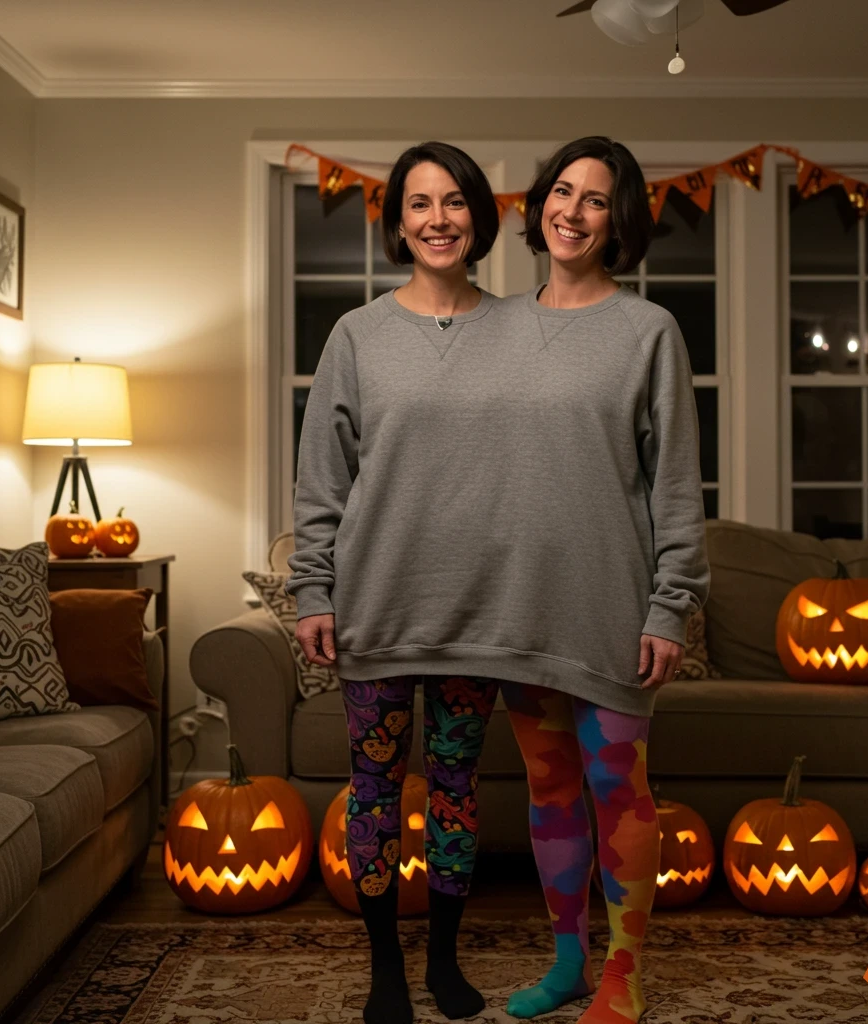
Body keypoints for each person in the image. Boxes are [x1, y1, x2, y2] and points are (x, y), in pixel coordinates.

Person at [286, 141, 504, 1024]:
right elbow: (321, 476)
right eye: (419, 204)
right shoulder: (358, 336)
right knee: (375, 793)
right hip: (375, 610)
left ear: (478, 216)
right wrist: (312, 589)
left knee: (454, 789)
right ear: (398, 222)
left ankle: (444, 962)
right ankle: (385, 970)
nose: (439, 219)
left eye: (454, 201)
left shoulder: (520, 329)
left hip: (476, 614)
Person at [498, 137, 710, 1024]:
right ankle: (569, 962)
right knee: (549, 791)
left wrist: (672, 606)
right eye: (561, 190)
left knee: (617, 784)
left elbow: (674, 483)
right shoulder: (490, 326)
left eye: (595, 199)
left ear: (618, 222)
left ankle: (625, 968)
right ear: (540, 204)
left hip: (615, 605)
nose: (572, 210)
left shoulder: (646, 331)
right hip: (516, 609)